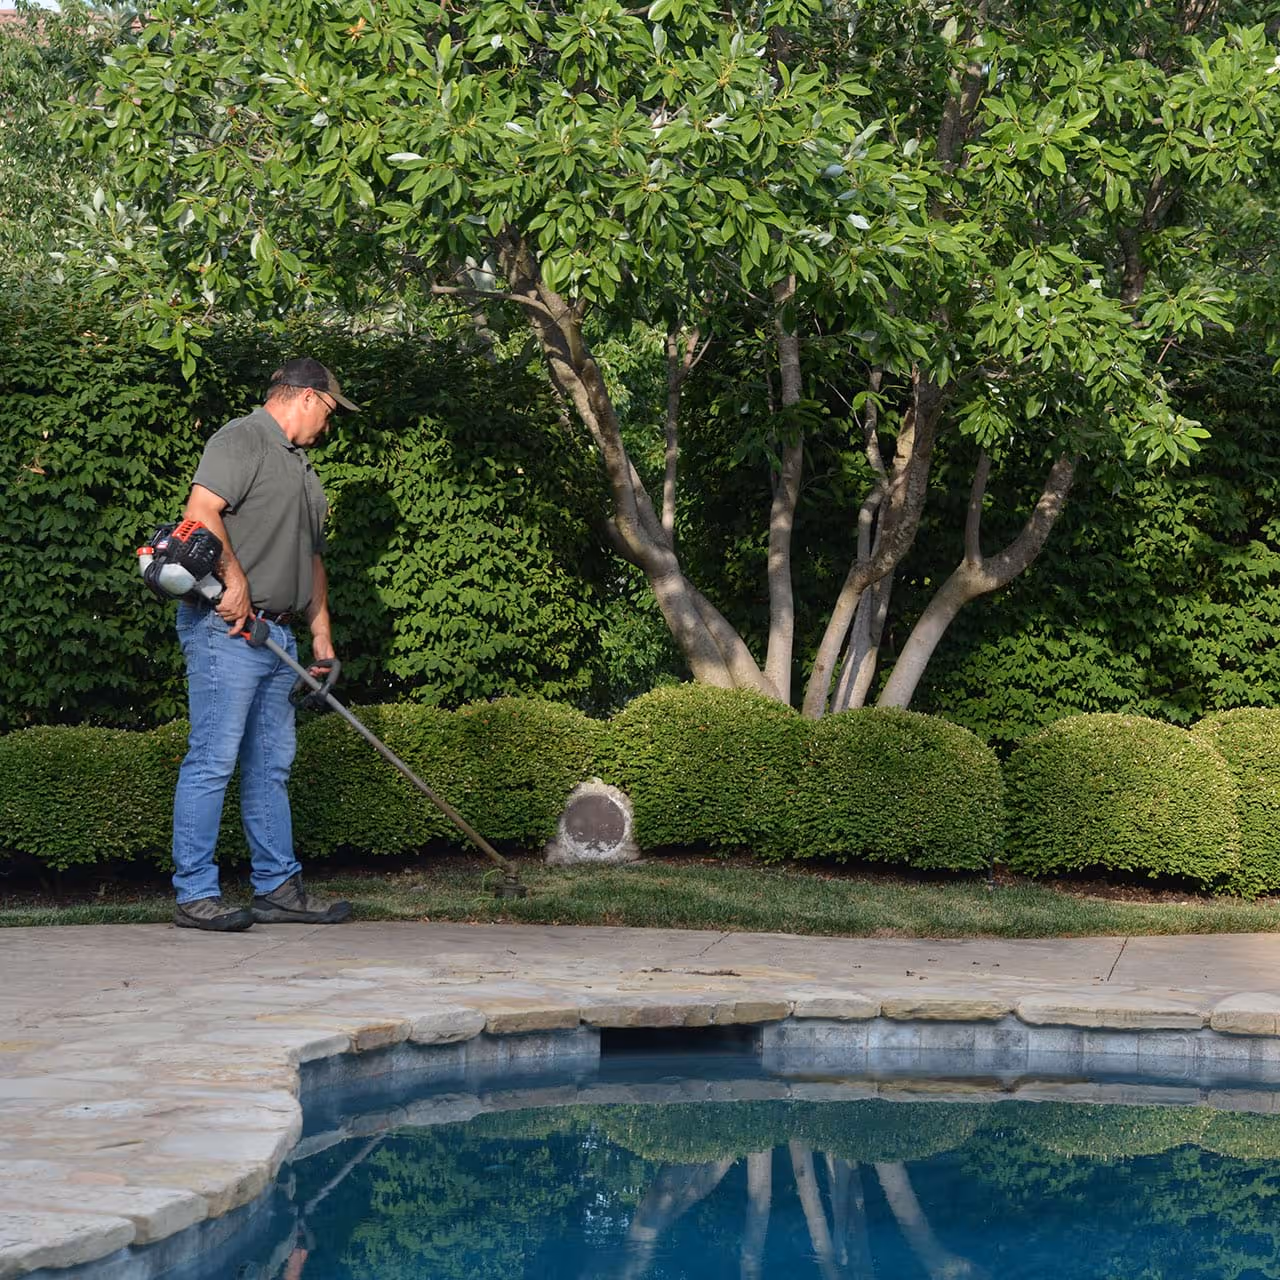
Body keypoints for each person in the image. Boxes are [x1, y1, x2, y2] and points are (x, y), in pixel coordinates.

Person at [170, 358, 359, 931]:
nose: (328, 425)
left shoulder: (304, 470)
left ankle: (277, 889)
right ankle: (194, 894)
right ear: (306, 397)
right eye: (329, 411)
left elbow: (313, 559)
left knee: (270, 766)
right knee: (213, 760)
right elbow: (199, 513)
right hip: (227, 629)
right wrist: (235, 582)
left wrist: (321, 637)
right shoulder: (243, 438)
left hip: (278, 634)